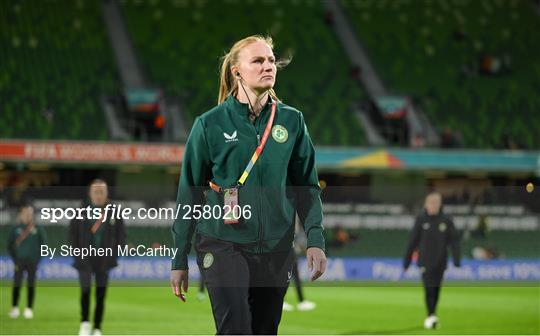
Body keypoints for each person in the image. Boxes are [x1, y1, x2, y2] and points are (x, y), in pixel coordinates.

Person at [170, 35, 327, 335]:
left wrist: (316, 239)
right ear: (237, 71)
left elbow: (307, 186)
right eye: (258, 60)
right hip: (222, 242)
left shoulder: (292, 121)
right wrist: (179, 257)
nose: (268, 65)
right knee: (236, 329)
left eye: (270, 60)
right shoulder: (209, 124)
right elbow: (188, 194)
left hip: (276, 249)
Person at [69, 179, 126, 336]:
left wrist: (114, 254)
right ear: (90, 193)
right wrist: (77, 253)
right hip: (84, 259)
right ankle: (85, 323)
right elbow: (72, 235)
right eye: (96, 192)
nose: (99, 195)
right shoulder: (81, 211)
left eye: (102, 192)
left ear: (106, 193)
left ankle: (97, 327)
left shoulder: (114, 211)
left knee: (101, 295)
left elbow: (121, 236)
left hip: (104, 260)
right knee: (85, 290)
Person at [403, 192, 461, 329]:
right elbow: (412, 241)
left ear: (440, 204)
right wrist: (406, 261)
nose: (434, 206)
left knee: (436, 289)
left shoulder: (446, 220)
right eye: (431, 203)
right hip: (425, 261)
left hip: (441, 261)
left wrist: (456, 259)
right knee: (428, 289)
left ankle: (433, 313)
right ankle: (431, 315)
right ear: (426, 204)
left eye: (436, 203)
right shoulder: (421, 219)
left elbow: (454, 241)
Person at [7, 203, 47, 319]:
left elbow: (44, 245)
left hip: (33, 262)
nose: (28, 216)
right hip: (19, 261)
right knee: (17, 284)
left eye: (30, 213)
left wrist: (38, 259)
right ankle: (14, 308)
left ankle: (29, 308)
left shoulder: (38, 229)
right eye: (25, 213)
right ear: (21, 214)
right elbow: (10, 246)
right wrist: (15, 259)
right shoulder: (15, 229)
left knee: (31, 284)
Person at [282, 219, 317, 312]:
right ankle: (287, 301)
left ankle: (300, 301)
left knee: (292, 275)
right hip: (285, 247)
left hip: (288, 246)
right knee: (287, 275)